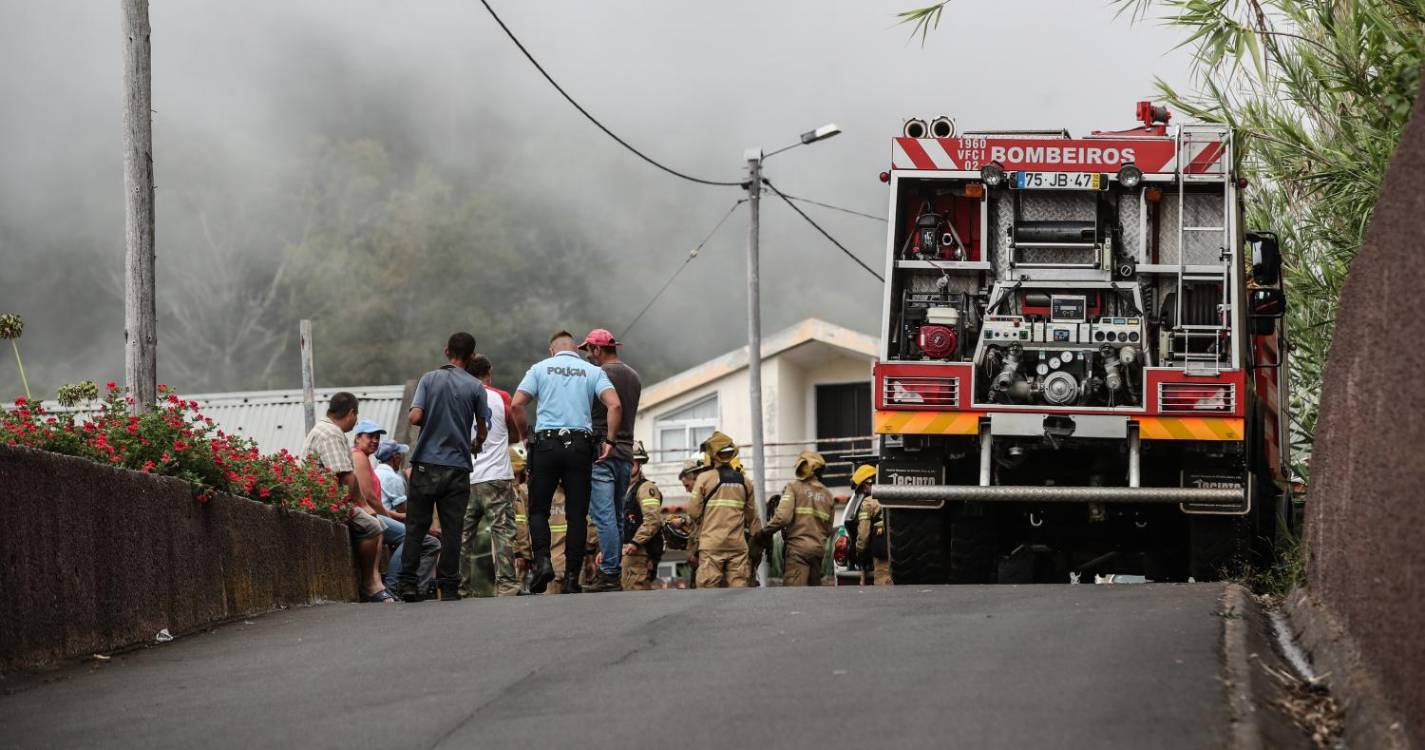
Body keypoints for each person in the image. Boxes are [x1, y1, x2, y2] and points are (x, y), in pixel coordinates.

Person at [511, 330, 622, 595]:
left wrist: (524, 436)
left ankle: (543, 563)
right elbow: (615, 405)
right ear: (575, 350)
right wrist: (610, 440)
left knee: (538, 510)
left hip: (546, 445)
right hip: (580, 446)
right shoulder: (592, 371)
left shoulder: (539, 369)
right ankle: (572, 577)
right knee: (576, 514)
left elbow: (516, 405)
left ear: (552, 350)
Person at [392, 332, 491, 603]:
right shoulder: (476, 387)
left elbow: (415, 417)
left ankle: (408, 583)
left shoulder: (429, 379)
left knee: (416, 526)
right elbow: (482, 430)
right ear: (472, 356)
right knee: (452, 529)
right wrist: (475, 443)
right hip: (457, 467)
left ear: (447, 351)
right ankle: (448, 587)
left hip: (426, 464)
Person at [301, 392, 390, 603]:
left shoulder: (328, 429)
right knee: (372, 526)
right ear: (351, 413)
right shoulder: (330, 433)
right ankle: (368, 584)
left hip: (331, 498)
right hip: (326, 501)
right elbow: (346, 476)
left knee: (380, 525)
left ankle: (377, 582)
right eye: (356, 416)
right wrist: (362, 505)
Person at [580, 328, 642, 592]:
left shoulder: (598, 375)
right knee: (615, 515)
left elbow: (591, 410)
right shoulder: (634, 376)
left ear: (597, 349)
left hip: (602, 452)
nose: (588, 356)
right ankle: (613, 571)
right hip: (626, 454)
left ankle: (609, 572)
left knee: (603, 515)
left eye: (589, 350)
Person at [460, 354, 523, 598]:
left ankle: (460, 587)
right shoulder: (501, 397)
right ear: (490, 371)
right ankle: (507, 585)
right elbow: (514, 435)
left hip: (466, 477)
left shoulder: (459, 398)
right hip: (497, 476)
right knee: (502, 531)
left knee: (463, 535)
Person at [353, 422, 439, 595]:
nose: (375, 440)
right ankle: (394, 586)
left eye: (377, 437)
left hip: (373, 514)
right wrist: (390, 518)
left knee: (417, 537)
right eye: (370, 436)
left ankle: (399, 585)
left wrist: (392, 517)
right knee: (412, 538)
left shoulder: (373, 466)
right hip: (367, 515)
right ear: (357, 438)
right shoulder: (360, 457)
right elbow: (369, 497)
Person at [686, 431, 760, 588]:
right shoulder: (745, 481)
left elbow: (693, 512)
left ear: (712, 455)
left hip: (711, 545)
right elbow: (752, 517)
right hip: (737, 546)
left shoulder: (704, 479)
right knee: (739, 591)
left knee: (708, 592)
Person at [759, 450, 835, 586]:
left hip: (797, 552)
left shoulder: (794, 488)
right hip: (817, 553)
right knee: (814, 596)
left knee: (794, 596)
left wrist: (764, 532)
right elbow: (829, 530)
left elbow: (783, 518)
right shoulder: (828, 495)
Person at [620, 441, 663, 591]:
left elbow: (652, 520)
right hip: (624, 553)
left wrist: (635, 542)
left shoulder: (646, 488)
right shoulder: (622, 490)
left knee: (635, 597)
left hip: (638, 553)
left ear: (639, 464)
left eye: (631, 462)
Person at [851, 465, 891, 586]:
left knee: (884, 589)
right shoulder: (897, 495)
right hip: (905, 553)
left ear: (865, 485)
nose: (863, 493)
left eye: (861, 490)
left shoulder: (868, 503)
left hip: (883, 557)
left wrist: (860, 553)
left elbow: (863, 536)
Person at [374, 439, 411, 514]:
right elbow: (402, 511)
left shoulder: (374, 472)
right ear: (395, 457)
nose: (401, 458)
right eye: (399, 454)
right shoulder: (394, 479)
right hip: (386, 519)